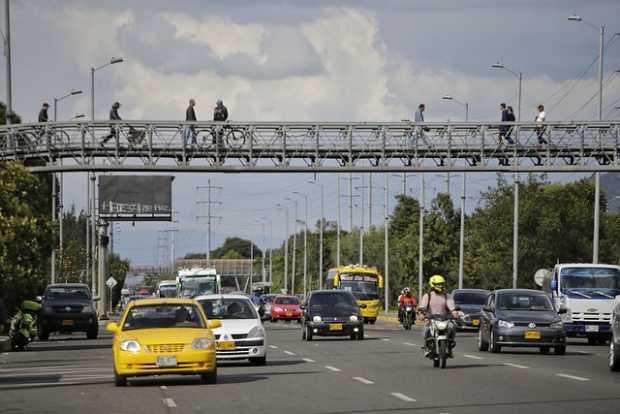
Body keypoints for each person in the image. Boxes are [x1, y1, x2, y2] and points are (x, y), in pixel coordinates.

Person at [418, 275, 459, 357]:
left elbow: (451, 306)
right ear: (433, 284)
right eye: (438, 284)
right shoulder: (428, 296)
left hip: (445, 319)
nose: (440, 286)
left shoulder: (447, 296)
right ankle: (426, 347)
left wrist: (454, 312)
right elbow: (422, 306)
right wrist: (421, 314)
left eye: (441, 284)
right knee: (426, 329)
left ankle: (450, 347)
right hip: (431, 319)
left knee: (453, 327)